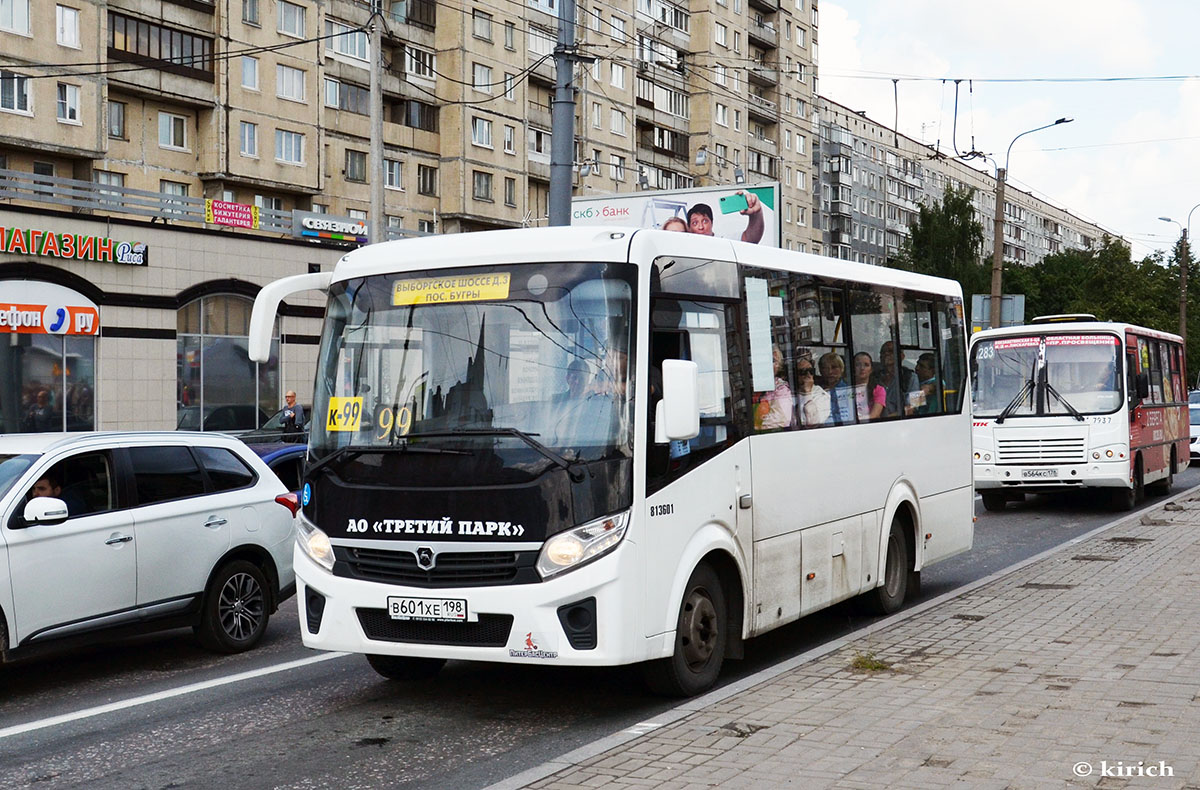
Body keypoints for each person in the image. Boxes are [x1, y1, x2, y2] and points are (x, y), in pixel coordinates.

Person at [686, 193, 765, 244]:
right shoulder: (685, 247)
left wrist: (756, 213)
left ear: (712, 222)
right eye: (695, 223)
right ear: (689, 228)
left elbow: (750, 239)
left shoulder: (724, 242)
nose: (701, 227)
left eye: (705, 221)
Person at [754, 346, 794, 431]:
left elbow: (781, 419)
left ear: (778, 365)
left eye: (773, 361)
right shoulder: (757, 386)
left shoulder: (781, 389)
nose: (769, 364)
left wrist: (755, 427)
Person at [877, 341, 919, 417]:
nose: (886, 354)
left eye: (890, 351)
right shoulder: (874, 377)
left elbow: (913, 408)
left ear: (902, 356)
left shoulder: (912, 377)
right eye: (883, 352)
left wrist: (885, 419)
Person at [794, 356, 831, 427]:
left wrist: (807, 393)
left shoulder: (821, 395)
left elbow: (813, 423)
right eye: (803, 372)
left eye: (811, 371)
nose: (808, 375)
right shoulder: (787, 391)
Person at [818, 351, 853, 425]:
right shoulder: (817, 391)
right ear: (821, 371)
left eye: (834, 367)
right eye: (825, 368)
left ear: (842, 369)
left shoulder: (848, 390)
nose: (830, 372)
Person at [851, 352, 886, 423]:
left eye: (866, 365)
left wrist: (856, 420)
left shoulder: (878, 390)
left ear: (871, 369)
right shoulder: (847, 388)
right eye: (858, 365)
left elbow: (874, 415)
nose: (862, 368)